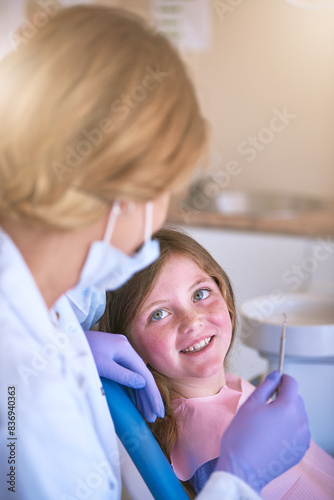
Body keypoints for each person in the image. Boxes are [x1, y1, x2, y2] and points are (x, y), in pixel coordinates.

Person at [0, 5, 309, 500]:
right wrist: (237, 480)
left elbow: (76, 300)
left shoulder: (38, 289)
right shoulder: (26, 402)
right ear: (125, 185)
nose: (157, 223)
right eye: (167, 187)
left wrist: (75, 344)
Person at [100, 227, 334, 499]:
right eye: (159, 314)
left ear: (225, 296)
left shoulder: (223, 392)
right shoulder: (211, 446)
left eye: (200, 294)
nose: (192, 321)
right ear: (129, 345)